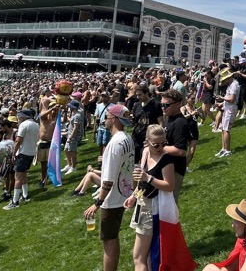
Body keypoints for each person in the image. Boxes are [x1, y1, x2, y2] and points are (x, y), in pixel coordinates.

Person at [84, 104, 135, 271]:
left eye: (106, 117)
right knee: (113, 237)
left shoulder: (115, 143)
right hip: (123, 193)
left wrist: (97, 203)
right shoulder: (127, 138)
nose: (104, 120)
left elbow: (108, 181)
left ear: (114, 119)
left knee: (109, 240)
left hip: (112, 199)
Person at [124, 125, 175, 271]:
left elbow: (169, 185)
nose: (160, 147)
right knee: (145, 256)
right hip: (142, 203)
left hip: (153, 209)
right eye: (156, 144)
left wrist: (149, 178)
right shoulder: (145, 151)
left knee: (138, 257)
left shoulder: (166, 159)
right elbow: (142, 180)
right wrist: (134, 196)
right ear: (147, 141)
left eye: (164, 143)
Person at [3, 108, 39, 210]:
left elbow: (18, 140)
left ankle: (15, 201)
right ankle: (25, 195)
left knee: (18, 177)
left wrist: (13, 153)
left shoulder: (24, 125)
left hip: (23, 153)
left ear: (23, 116)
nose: (18, 118)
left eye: (19, 116)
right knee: (23, 174)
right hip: (31, 152)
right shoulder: (36, 124)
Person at [160, 88, 190, 202]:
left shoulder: (180, 123)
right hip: (167, 168)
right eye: (162, 104)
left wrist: (157, 146)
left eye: (167, 105)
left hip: (175, 170)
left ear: (178, 104)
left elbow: (181, 151)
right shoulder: (170, 118)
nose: (163, 108)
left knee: (169, 203)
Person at [214, 68, 239, 158]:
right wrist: (221, 104)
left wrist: (222, 98)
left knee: (226, 129)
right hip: (227, 108)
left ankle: (228, 150)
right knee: (223, 129)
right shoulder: (231, 84)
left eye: (224, 79)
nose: (224, 81)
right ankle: (224, 148)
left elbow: (232, 99)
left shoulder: (234, 85)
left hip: (231, 109)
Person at [62, 100, 84, 175]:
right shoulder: (74, 114)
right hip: (70, 134)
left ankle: (73, 166)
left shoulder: (77, 115)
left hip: (73, 136)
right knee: (66, 149)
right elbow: (70, 121)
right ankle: (69, 164)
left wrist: (70, 137)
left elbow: (76, 127)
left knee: (72, 151)